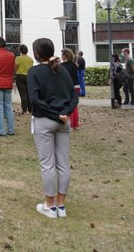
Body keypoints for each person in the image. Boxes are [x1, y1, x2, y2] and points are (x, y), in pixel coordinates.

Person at [27, 38, 79, 219]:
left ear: (37, 54)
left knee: (47, 163)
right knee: (63, 163)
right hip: (63, 121)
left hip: (45, 120)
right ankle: (61, 205)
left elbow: (34, 100)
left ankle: (50, 206)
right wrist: (65, 113)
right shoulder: (62, 70)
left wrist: (55, 114)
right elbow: (74, 96)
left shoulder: (34, 72)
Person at [60, 49, 80, 129]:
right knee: (74, 105)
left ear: (64, 56)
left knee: (68, 105)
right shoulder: (74, 65)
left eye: (62, 55)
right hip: (76, 86)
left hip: (68, 87)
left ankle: (70, 123)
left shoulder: (62, 66)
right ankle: (76, 124)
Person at [14, 44, 34, 114]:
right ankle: (31, 109)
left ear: (20, 50)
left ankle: (24, 109)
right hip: (28, 77)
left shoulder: (18, 58)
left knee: (23, 94)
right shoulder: (30, 59)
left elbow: (15, 68)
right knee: (28, 93)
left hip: (20, 76)